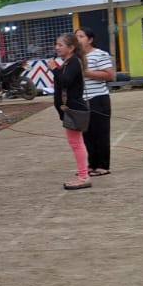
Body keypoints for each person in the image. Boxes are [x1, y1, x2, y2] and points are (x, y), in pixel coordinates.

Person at [52, 33, 92, 191]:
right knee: (76, 142)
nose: (57, 48)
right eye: (56, 44)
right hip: (70, 109)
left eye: (60, 45)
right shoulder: (69, 62)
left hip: (74, 109)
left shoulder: (74, 62)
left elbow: (65, 81)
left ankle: (83, 177)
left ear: (71, 48)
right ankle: (83, 174)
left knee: (76, 143)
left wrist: (54, 69)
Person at [74, 26, 115, 177]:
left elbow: (110, 75)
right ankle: (91, 165)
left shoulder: (100, 54)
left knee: (101, 134)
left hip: (98, 99)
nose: (77, 39)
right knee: (87, 135)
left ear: (90, 39)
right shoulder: (76, 57)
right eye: (76, 37)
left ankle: (103, 166)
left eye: (81, 36)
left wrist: (86, 73)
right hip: (82, 101)